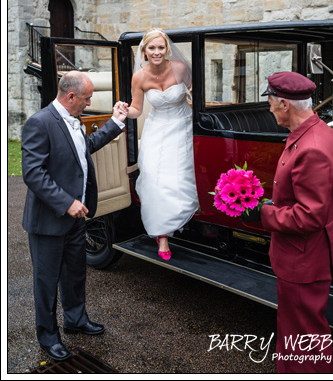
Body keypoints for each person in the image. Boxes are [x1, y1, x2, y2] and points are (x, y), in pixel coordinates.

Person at [21, 70, 128, 362]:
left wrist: (116, 121)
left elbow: (85, 149)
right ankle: (48, 337)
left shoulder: (75, 121)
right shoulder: (40, 122)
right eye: (87, 97)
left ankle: (76, 320)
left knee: (75, 273)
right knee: (46, 281)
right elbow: (32, 172)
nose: (89, 102)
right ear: (70, 97)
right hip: (49, 220)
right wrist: (66, 202)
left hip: (76, 219)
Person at [240, 71, 333, 374]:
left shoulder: (312, 147)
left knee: (306, 333)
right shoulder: (316, 131)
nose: (269, 110)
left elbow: (310, 215)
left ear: (284, 104)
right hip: (305, 254)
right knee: (294, 328)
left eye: (271, 103)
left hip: (304, 258)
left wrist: (263, 213)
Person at [116, 28, 199, 260]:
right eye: (152, 48)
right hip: (157, 129)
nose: (157, 52)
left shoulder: (181, 68)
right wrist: (123, 111)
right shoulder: (139, 77)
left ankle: (192, 219)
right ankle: (162, 234)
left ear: (167, 49)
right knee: (152, 174)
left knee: (182, 173)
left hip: (182, 125)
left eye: (161, 47)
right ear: (144, 50)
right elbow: (137, 109)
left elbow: (195, 94)